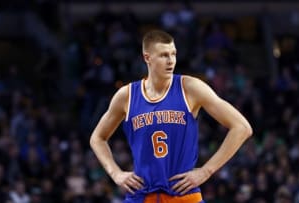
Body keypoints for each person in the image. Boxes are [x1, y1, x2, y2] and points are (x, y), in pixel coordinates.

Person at [90, 29, 252, 203]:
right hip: (142, 195)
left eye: (173, 54)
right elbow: (97, 138)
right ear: (147, 58)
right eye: (163, 55)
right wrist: (116, 173)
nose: (171, 61)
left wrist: (206, 171)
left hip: (183, 195)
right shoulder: (127, 95)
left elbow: (242, 127)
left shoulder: (190, 87)